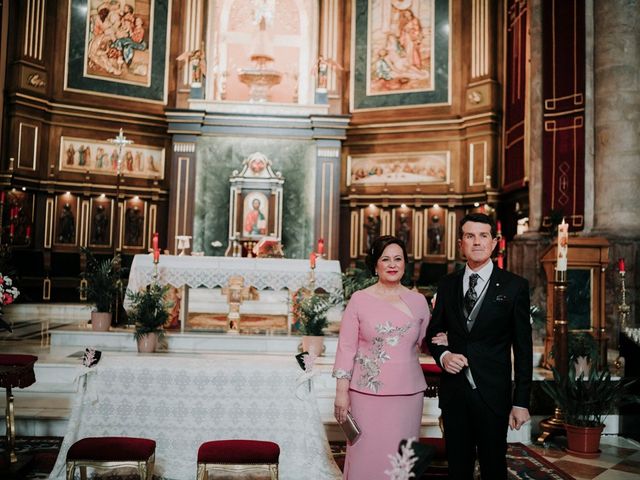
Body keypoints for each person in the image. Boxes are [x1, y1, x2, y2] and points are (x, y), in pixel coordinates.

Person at [425, 213, 532, 479]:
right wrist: (444, 354)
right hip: (455, 392)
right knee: (458, 467)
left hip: (493, 393)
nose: (477, 242)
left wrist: (520, 401)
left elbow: (523, 348)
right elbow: (434, 332)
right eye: (470, 236)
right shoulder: (447, 284)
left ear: (494, 242)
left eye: (483, 236)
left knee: (493, 466)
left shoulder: (514, 286)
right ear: (460, 242)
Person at [332, 235, 430, 479]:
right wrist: (341, 393)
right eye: (385, 259)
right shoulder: (359, 300)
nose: (392, 264)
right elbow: (346, 347)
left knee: (402, 461)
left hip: (407, 394)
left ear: (405, 264)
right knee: (366, 458)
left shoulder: (418, 301)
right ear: (375, 265)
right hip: (366, 394)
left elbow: (426, 343)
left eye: (398, 259)